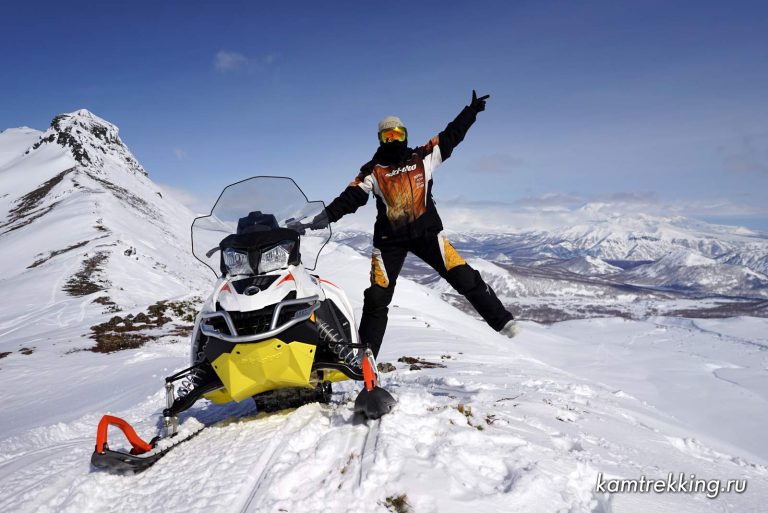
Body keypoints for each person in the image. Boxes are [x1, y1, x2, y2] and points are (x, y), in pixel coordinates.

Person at [312, 90, 520, 358]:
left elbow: (451, 136)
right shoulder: (373, 170)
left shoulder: (422, 157)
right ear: (380, 139)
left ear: (405, 134)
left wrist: (470, 112)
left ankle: (502, 321)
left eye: (397, 134)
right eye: (387, 136)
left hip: (427, 234)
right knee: (377, 298)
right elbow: (350, 197)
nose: (393, 139)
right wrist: (327, 215)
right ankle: (365, 358)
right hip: (390, 242)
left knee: (464, 276)